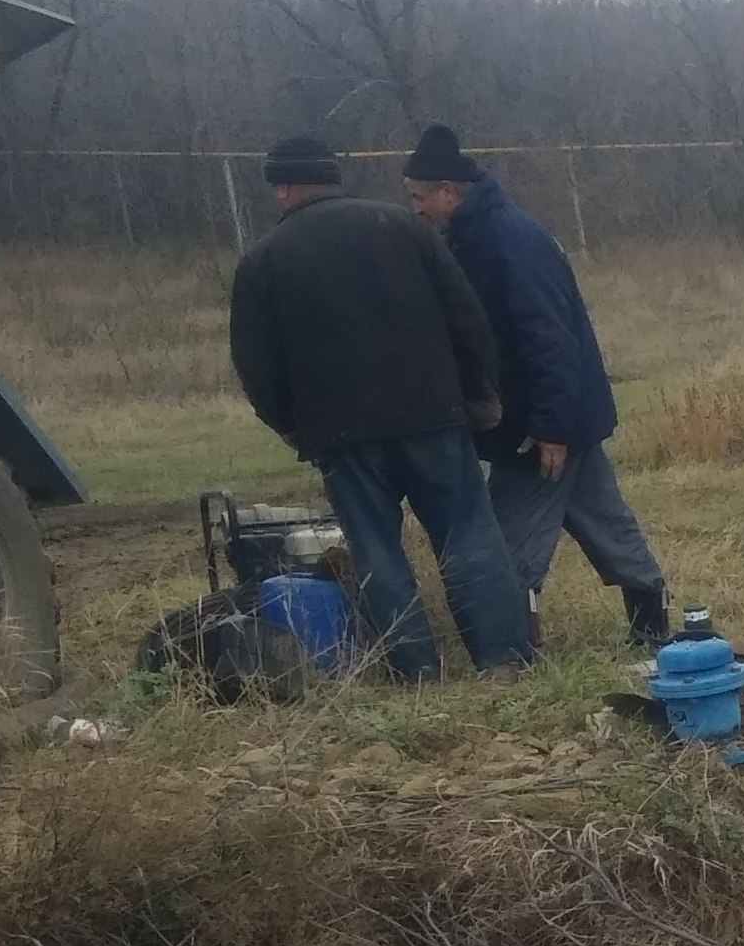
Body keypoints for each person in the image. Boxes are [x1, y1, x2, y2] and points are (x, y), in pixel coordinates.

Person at [225, 132, 536, 678]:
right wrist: (478, 393)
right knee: (468, 534)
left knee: (377, 552)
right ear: (333, 177)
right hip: (433, 415)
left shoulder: (263, 260)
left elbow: (258, 368)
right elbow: (466, 316)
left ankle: (415, 672)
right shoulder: (404, 227)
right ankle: (504, 660)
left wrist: (294, 427)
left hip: (342, 434)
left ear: (282, 190)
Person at [402, 125, 672, 652]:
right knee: (603, 520)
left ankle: (513, 651)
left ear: (449, 193)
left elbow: (549, 336)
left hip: (535, 427)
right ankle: (653, 623)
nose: (415, 209)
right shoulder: (477, 238)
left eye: (419, 198)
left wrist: (550, 426)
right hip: (554, 418)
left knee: (509, 543)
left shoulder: (509, 241)